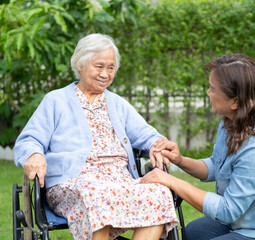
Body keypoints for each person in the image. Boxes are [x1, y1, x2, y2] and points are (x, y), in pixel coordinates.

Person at [14, 33, 178, 240]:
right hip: (73, 183)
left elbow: (147, 134)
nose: (106, 74)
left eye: (111, 68)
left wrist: (158, 143)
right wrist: (34, 155)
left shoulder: (118, 104)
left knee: (159, 192)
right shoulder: (55, 101)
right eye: (99, 66)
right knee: (95, 192)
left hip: (121, 181)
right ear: (79, 64)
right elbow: (29, 139)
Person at [141, 54, 255, 240]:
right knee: (193, 232)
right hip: (250, 222)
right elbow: (216, 166)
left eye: (212, 89)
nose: (208, 93)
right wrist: (180, 160)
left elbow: (228, 210)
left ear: (235, 101)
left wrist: (173, 182)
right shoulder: (229, 125)